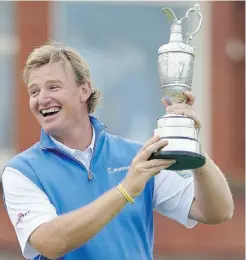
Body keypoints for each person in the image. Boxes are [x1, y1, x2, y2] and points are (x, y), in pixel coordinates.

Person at [2, 43, 234, 260]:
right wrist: (125, 190)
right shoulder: (21, 171)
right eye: (34, 92)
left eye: (53, 87)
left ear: (84, 90)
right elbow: (49, 242)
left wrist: (193, 149)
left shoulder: (136, 156)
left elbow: (217, 211)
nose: (42, 99)